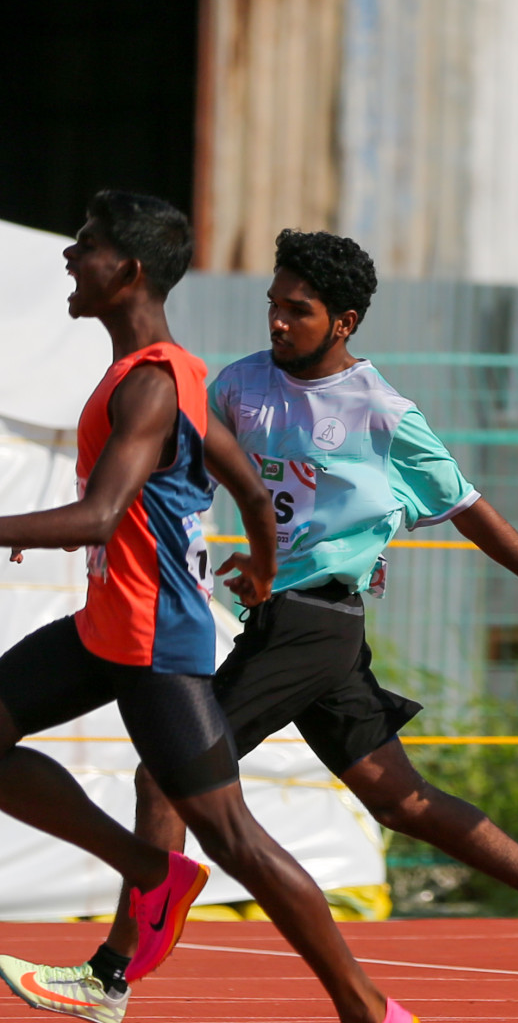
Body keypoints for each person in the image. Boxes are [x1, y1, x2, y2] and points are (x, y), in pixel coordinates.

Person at [0, 228, 518, 1023]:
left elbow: (470, 509)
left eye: (298, 311)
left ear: (346, 322)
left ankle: (112, 976)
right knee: (399, 802)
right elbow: (204, 477)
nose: (277, 322)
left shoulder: (384, 413)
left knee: (166, 775)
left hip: (319, 622)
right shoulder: (237, 386)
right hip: (280, 621)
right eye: (272, 305)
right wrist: (242, 556)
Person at [0, 193, 419, 1022]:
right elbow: (255, 499)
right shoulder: (178, 373)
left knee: (235, 838)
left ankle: (369, 1009)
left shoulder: (154, 384)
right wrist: (261, 570)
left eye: (84, 246)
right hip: (111, 626)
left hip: (154, 640)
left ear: (127, 270)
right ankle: (152, 873)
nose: (69, 259)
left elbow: (98, 515)